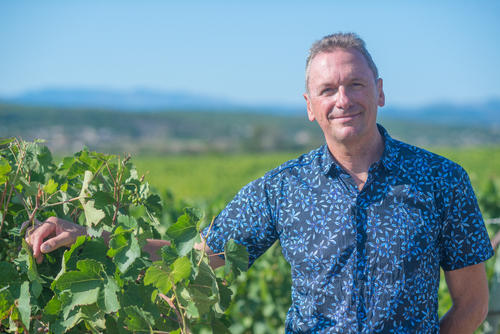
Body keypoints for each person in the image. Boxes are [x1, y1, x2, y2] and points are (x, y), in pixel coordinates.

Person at [26, 32, 493, 333]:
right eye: (327, 90)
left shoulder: (442, 180)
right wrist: (89, 237)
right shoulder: (283, 188)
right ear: (310, 106)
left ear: (381, 91)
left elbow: (472, 303)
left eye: (356, 84)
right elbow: (201, 258)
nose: (343, 99)